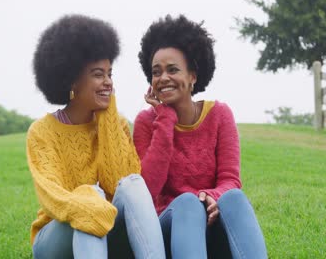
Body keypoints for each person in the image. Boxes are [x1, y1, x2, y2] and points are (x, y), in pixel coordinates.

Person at [27, 14, 165, 259]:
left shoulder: (117, 124)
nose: (108, 82)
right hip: (56, 238)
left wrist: (107, 115)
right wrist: (89, 203)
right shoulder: (42, 132)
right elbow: (53, 197)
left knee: (133, 183)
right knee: (90, 197)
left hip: (106, 231)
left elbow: (117, 183)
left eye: (110, 74)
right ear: (72, 79)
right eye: (98, 74)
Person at [134, 15, 268, 259]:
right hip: (169, 230)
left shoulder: (219, 115)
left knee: (235, 198)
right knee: (186, 203)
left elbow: (230, 180)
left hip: (212, 225)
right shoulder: (146, 123)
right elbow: (147, 191)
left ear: (192, 76)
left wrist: (210, 197)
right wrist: (164, 120)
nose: (163, 78)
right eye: (156, 72)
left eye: (172, 69)